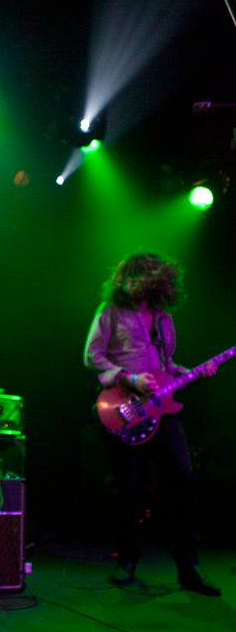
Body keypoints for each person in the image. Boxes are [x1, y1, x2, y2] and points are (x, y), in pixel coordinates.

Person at [83, 251, 222, 598]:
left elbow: (166, 364)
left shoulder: (163, 318)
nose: (135, 284)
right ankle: (127, 561)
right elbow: (91, 355)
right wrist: (128, 378)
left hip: (163, 410)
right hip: (125, 407)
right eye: (132, 278)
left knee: (183, 481)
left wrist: (193, 372)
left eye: (143, 279)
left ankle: (189, 567)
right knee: (129, 488)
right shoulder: (110, 312)